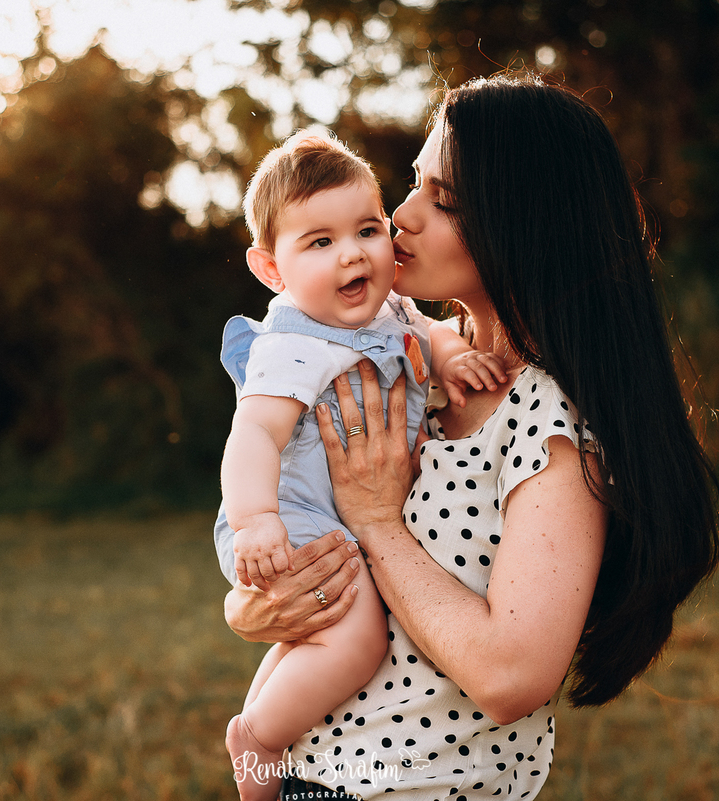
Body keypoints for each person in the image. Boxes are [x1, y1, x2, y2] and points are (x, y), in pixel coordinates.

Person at [223, 73, 719, 800]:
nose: (400, 217)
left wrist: (375, 521)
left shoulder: (549, 421)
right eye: (415, 185)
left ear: (528, 223)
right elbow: (292, 507)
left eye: (443, 200)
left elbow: (511, 675)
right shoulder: (410, 360)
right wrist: (254, 605)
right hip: (304, 773)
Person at [215, 129, 508, 801]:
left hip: (334, 520)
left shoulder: (387, 307)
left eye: (367, 229)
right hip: (292, 522)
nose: (352, 253)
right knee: (356, 642)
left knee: (312, 641)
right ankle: (260, 740)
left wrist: (452, 354)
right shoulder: (295, 341)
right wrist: (257, 520)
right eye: (319, 242)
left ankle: (263, 730)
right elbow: (254, 432)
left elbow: (426, 329)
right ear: (272, 271)